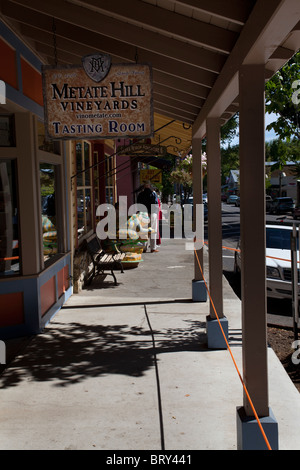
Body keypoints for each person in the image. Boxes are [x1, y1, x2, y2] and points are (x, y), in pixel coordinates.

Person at [137, 181, 159, 252]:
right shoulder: (153, 194)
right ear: (150, 186)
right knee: (153, 230)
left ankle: (144, 247)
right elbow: (155, 204)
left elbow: (138, 205)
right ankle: (153, 248)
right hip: (152, 213)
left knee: (144, 231)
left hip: (143, 214)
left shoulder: (140, 194)